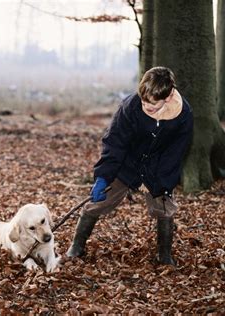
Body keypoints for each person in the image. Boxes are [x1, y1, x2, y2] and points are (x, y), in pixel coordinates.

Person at [66, 66, 193, 265]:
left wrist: (164, 184)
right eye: (144, 101)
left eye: (152, 105)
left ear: (167, 98)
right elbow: (114, 142)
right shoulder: (131, 106)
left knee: (165, 208)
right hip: (127, 163)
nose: (146, 107)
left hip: (157, 167)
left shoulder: (182, 114)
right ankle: (77, 246)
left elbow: (175, 153)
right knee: (98, 202)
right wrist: (103, 177)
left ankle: (164, 255)